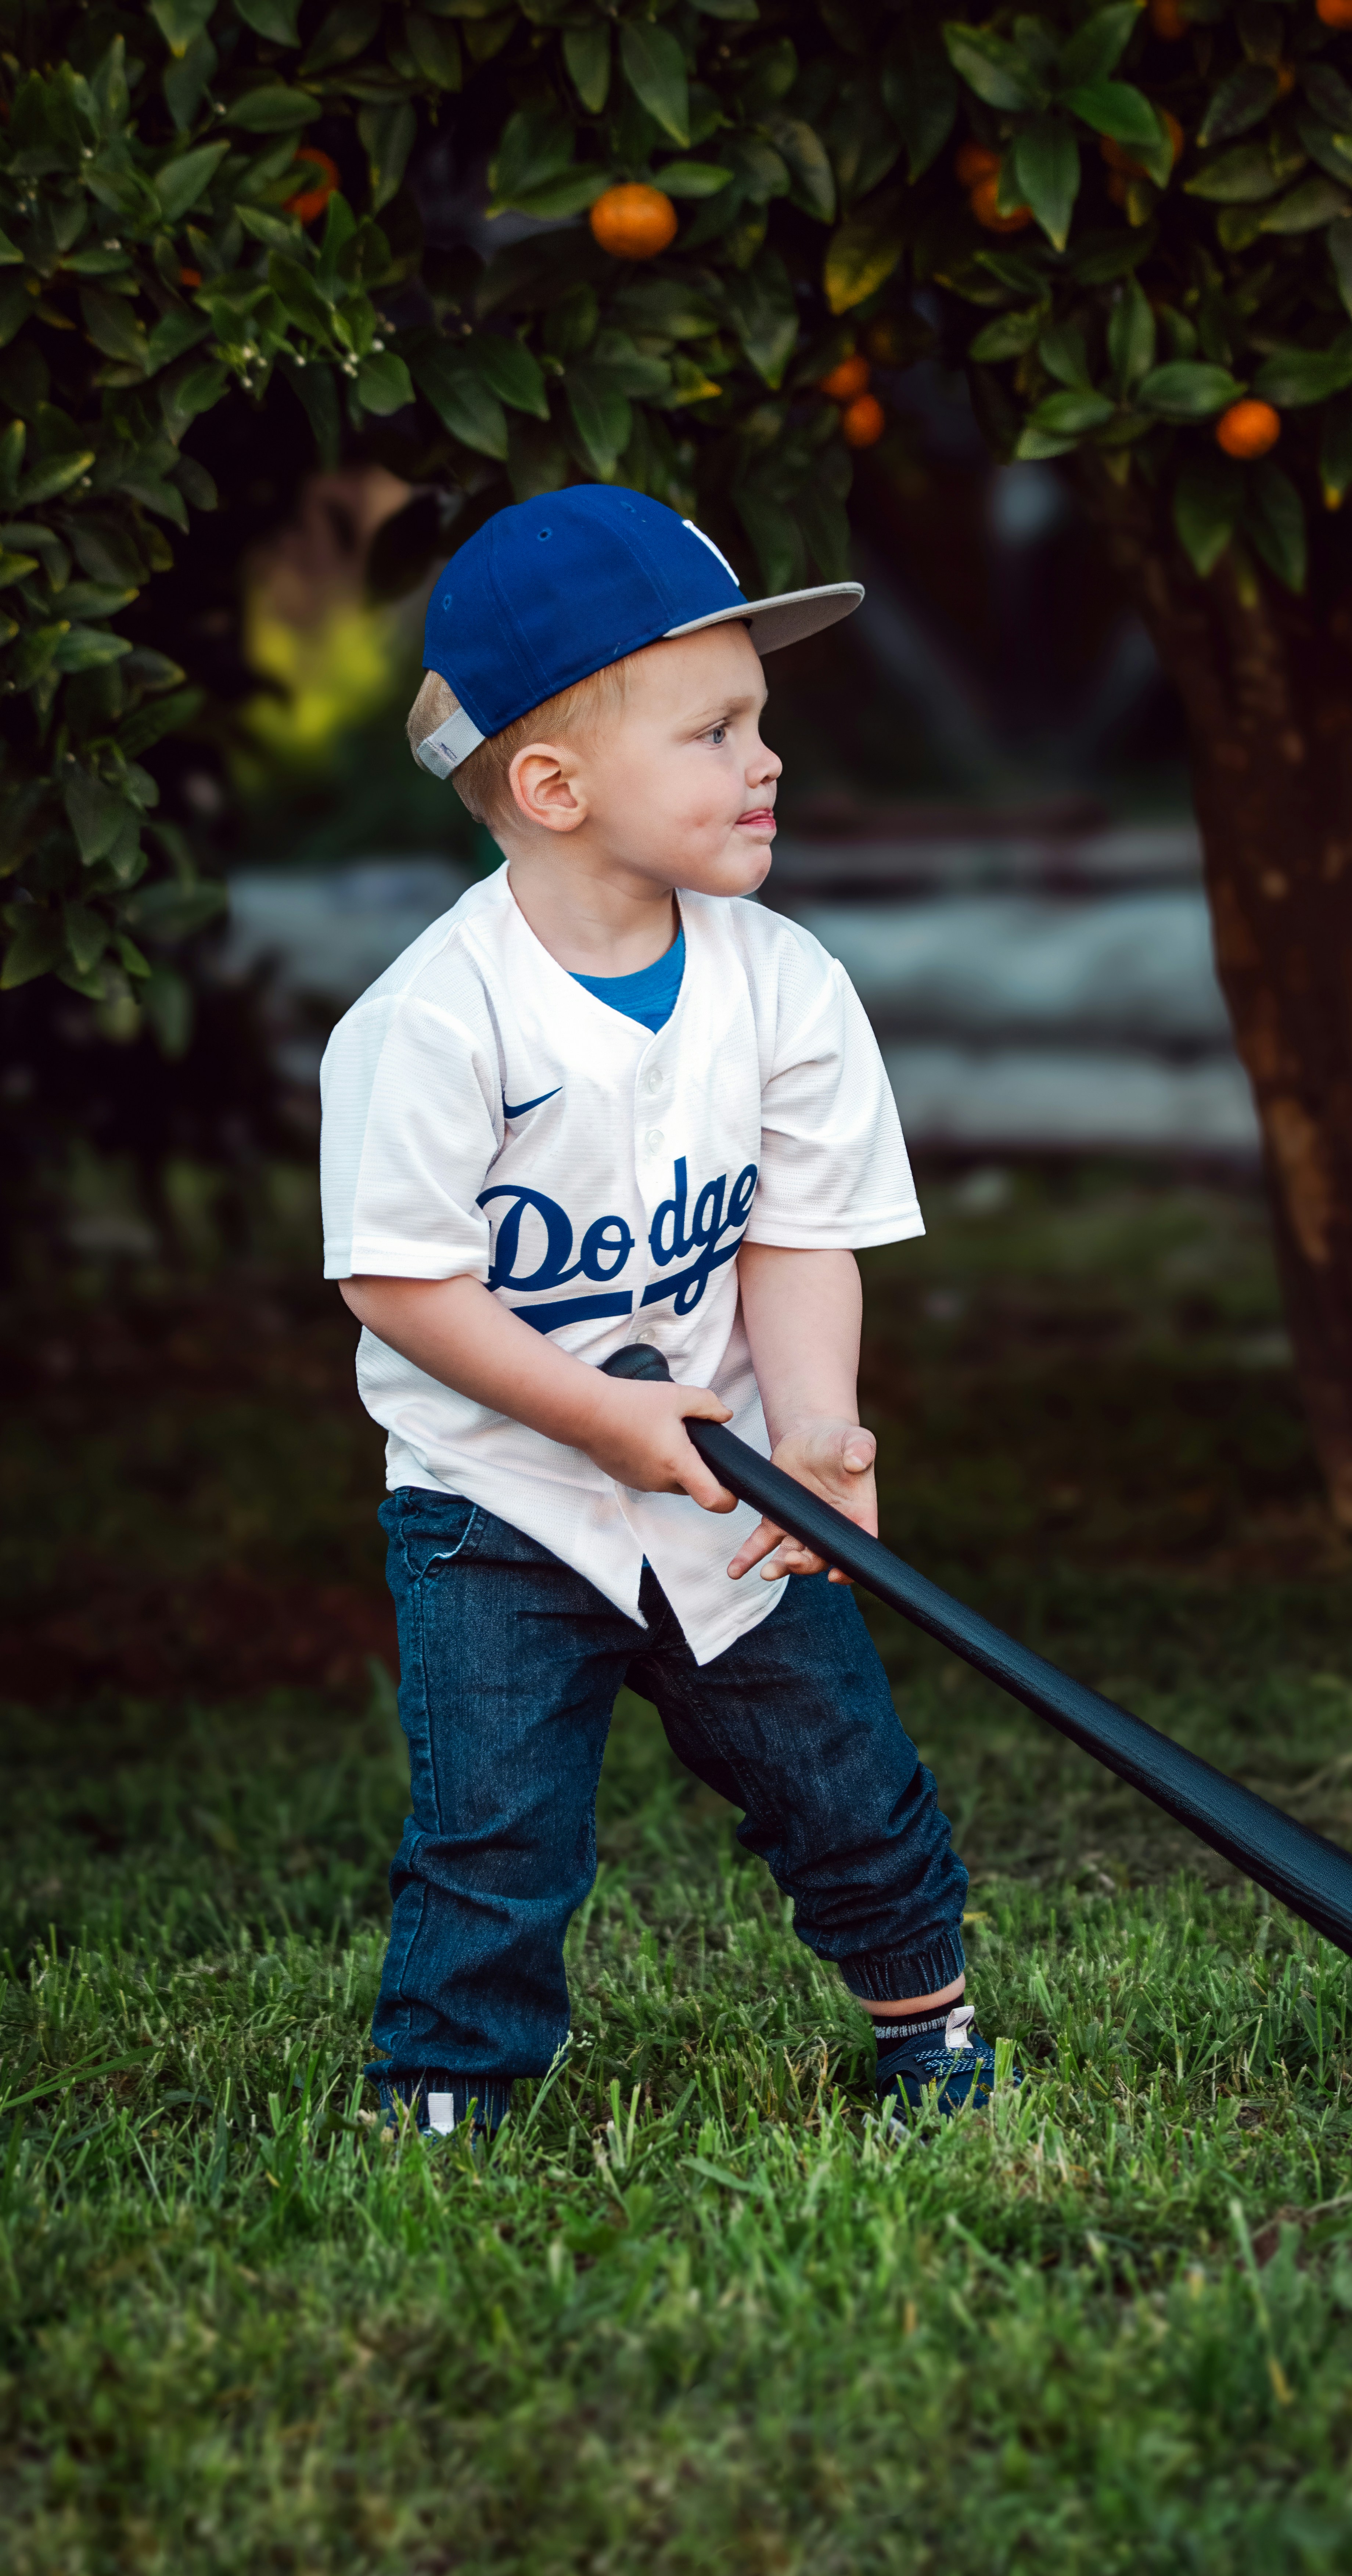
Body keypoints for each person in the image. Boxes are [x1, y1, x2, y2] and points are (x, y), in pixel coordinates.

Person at [319, 486, 1007, 2132]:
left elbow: (799, 1232)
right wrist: (605, 1418)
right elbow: (400, 1284)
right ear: (551, 786)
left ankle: (930, 2029)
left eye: (758, 722)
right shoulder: (431, 1020)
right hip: (499, 1499)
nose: (762, 760)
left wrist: (822, 1424)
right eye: (709, 731)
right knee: (496, 1828)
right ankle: (450, 2091)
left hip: (733, 1481)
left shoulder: (783, 984)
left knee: (841, 1775)